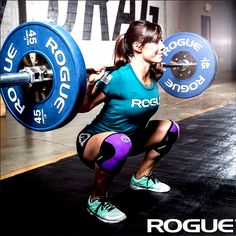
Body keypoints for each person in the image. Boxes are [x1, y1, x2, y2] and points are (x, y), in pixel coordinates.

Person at [77, 20, 180, 224]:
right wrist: (89, 85)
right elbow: (84, 107)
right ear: (137, 47)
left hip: (130, 139)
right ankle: (96, 200)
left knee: (170, 129)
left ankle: (141, 178)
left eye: (162, 40)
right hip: (96, 142)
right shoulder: (117, 78)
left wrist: (158, 74)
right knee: (119, 142)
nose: (163, 46)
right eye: (157, 41)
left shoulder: (153, 74)